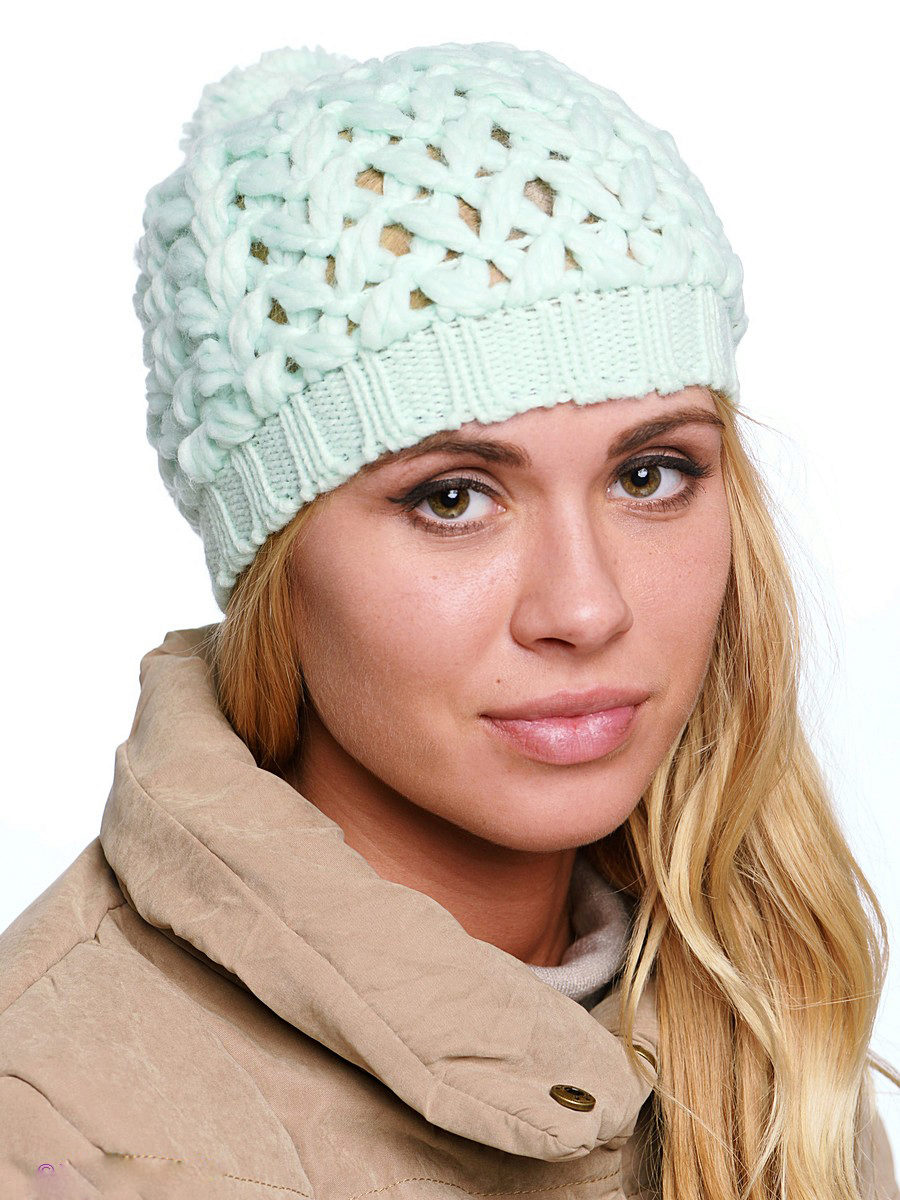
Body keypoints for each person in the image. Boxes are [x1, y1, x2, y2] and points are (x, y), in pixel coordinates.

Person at [0, 39, 897, 1200]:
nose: (585, 607)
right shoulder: (50, 1118)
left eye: (649, 475)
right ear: (273, 560)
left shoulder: (766, 1030)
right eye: (453, 498)